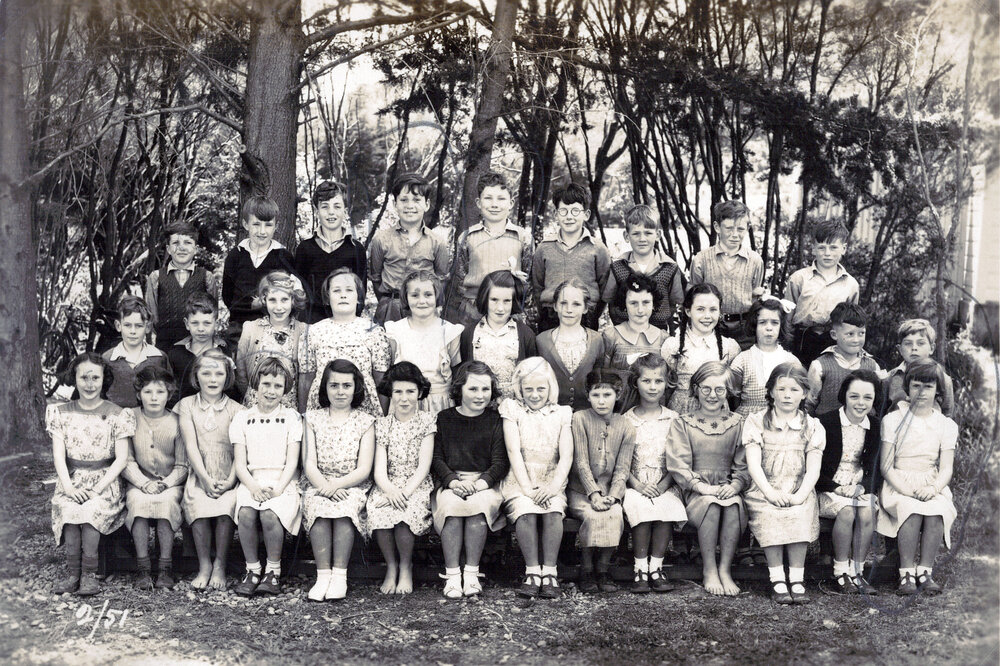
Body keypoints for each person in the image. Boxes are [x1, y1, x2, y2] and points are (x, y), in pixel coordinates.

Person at [48, 353, 134, 596]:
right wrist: (69, 488)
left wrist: (97, 488)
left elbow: (121, 459)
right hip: (72, 480)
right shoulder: (61, 413)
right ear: (74, 378)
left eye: (95, 377)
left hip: (104, 482)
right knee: (70, 509)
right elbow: (58, 457)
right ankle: (73, 573)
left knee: (89, 511)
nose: (89, 383)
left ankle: (89, 573)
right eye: (83, 377)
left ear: (104, 379)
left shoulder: (117, 414)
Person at [743, 361, 826, 604]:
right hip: (765, 487)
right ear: (770, 391)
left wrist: (800, 494)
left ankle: (797, 578)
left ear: (804, 393)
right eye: (781, 389)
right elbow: (754, 464)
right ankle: (777, 577)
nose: (787, 395)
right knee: (772, 514)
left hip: (799, 487)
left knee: (800, 512)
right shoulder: (756, 421)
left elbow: (813, 467)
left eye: (794, 390)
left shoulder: (812, 426)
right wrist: (768, 491)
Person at [665, 361, 748, 597]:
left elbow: (743, 464)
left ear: (728, 391)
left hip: (728, 490)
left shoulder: (738, 423)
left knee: (732, 505)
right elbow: (678, 464)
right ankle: (709, 569)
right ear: (695, 389)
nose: (713, 395)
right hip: (695, 493)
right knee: (712, 505)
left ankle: (725, 569)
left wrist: (735, 485)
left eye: (719, 390)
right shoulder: (683, 423)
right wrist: (702, 487)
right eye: (706, 389)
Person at [876, 358, 957, 596]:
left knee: (936, 511)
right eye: (916, 386)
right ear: (908, 388)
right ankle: (906, 573)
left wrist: (933, 488)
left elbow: (946, 469)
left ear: (938, 391)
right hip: (899, 483)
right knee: (911, 509)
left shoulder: (946, 425)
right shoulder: (893, 420)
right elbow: (886, 466)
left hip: (931, 482)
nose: (921, 392)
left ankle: (925, 571)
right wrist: (909, 491)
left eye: (928, 386)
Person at [431, 362, 509, 598]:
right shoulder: (444, 418)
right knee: (452, 509)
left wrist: (479, 484)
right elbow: (436, 458)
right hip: (451, 483)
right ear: (459, 389)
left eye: (485, 389)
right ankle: (453, 575)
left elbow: (500, 462)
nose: (480, 395)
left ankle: (472, 573)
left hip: (484, 484)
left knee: (477, 509)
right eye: (473, 389)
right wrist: (453, 482)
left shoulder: (495, 420)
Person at [498, 358, 573, 599]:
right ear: (520, 388)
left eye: (541, 388)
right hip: (520, 479)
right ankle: (532, 571)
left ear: (550, 387)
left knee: (553, 511)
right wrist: (528, 489)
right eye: (528, 389)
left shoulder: (561, 413)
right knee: (526, 510)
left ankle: (549, 571)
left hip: (551, 478)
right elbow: (513, 452)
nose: (534, 394)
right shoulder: (512, 410)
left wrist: (553, 487)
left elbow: (566, 455)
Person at [302, 359, 376, 601]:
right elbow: (309, 463)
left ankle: (339, 577)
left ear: (356, 388)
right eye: (334, 385)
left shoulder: (365, 421)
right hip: (319, 483)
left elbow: (364, 468)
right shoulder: (312, 418)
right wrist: (325, 486)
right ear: (325, 388)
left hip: (351, 485)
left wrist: (337, 485)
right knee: (320, 511)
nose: (340, 391)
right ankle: (322, 575)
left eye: (346, 385)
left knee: (344, 512)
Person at [231, 357, 303, 597]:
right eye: (266, 384)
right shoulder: (243, 417)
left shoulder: (291, 417)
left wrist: (279, 488)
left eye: (278, 386)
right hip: (252, 480)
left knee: (271, 514)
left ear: (285, 389)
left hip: (283, 481)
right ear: (256, 384)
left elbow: (292, 461)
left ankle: (273, 571)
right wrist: (252, 487)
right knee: (246, 513)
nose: (271, 391)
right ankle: (252, 569)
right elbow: (240, 464)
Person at [366, 362, 437, 595]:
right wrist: (390, 491)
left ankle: (406, 566)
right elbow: (379, 469)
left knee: (406, 513)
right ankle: (391, 566)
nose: (404, 398)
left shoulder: (427, 421)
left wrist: (404, 493)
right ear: (391, 393)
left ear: (419, 392)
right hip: (388, 484)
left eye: (410, 391)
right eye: (398, 392)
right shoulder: (383, 424)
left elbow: (424, 466)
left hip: (415, 485)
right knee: (380, 511)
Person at [176, 349, 242, 590]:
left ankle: (220, 564)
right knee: (198, 504)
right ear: (196, 376)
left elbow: (240, 451)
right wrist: (203, 478)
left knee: (226, 507)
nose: (213, 379)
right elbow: (190, 445)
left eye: (219, 373)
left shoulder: (237, 409)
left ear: (227, 377)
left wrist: (231, 479)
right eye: (206, 373)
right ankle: (204, 564)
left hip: (230, 474)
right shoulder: (186, 405)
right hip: (199, 471)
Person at [622, 354, 686, 594]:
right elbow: (622, 461)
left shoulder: (674, 419)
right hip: (634, 484)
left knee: (666, 507)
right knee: (641, 507)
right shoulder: (626, 420)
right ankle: (640, 568)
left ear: (666, 383)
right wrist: (637, 485)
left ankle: (656, 567)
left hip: (666, 483)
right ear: (636, 383)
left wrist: (664, 484)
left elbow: (678, 460)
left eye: (658, 381)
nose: (652, 387)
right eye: (646, 381)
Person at [567, 369, 636, 593]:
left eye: (607, 395)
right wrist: (594, 494)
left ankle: (603, 569)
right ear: (588, 396)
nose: (601, 401)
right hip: (580, 490)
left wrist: (614, 495)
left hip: (610, 491)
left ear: (617, 395)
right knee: (591, 514)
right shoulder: (579, 418)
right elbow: (581, 461)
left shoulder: (625, 425)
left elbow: (623, 467)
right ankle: (586, 569)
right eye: (596, 395)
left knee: (614, 514)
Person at [817, 370, 882, 595]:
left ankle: (858, 571)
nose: (860, 403)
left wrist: (863, 487)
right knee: (847, 512)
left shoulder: (875, 425)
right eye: (854, 396)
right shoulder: (824, 423)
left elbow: (875, 466)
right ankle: (841, 572)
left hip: (858, 487)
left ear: (874, 400)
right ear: (844, 395)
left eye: (867, 397)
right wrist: (838, 488)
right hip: (828, 487)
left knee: (867, 513)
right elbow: (813, 469)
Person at [122, 365, 186, 590]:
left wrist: (165, 484)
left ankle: (165, 567)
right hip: (139, 481)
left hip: (170, 482)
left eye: (160, 392)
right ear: (139, 394)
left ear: (169, 394)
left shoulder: (177, 421)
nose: (154, 397)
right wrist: (143, 483)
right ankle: (143, 567)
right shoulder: (129, 416)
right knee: (138, 503)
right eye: (148, 392)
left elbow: (182, 465)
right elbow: (126, 460)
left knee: (166, 503)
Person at [298, 267, 391, 418]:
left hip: (364, 413)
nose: (343, 295)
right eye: (336, 291)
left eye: (349, 290)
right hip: (322, 412)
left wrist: (383, 418)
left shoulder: (374, 331)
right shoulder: (313, 332)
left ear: (359, 297)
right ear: (327, 298)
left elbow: (381, 379)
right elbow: (306, 379)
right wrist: (303, 417)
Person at [445, 172, 533, 328]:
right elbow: (459, 280)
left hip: (509, 311)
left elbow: (529, 280)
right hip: (472, 312)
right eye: (488, 198)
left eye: (501, 198)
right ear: (478, 203)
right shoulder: (466, 238)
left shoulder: (523, 238)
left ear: (511, 203)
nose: (494, 204)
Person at [369, 173, 450, 325]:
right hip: (390, 308)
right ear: (395, 204)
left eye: (417, 200)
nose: (410, 206)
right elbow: (376, 278)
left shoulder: (437, 242)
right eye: (404, 200)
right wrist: (390, 301)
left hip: (423, 309)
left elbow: (441, 280)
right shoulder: (381, 240)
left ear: (426, 204)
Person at [531, 182, 611, 331]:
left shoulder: (598, 249)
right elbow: (537, 286)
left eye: (575, 211)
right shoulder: (544, 248)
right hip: (550, 317)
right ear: (556, 214)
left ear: (586, 215)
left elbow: (605, 288)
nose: (569, 217)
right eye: (563, 211)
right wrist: (547, 311)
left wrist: (593, 314)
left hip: (585, 317)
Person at [221, 195, 297, 345]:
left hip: (273, 327)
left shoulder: (283, 257)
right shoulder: (236, 255)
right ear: (245, 224)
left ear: (276, 226)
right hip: (239, 328)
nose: (262, 231)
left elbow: (289, 295)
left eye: (268, 225)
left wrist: (264, 304)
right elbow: (228, 297)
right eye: (256, 224)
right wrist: (250, 305)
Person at [385, 270, 464, 416]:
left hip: (440, 405)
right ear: (406, 298)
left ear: (437, 296)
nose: (422, 301)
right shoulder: (396, 331)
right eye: (415, 295)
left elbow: (457, 372)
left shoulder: (449, 332)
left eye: (428, 295)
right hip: (405, 406)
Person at [689, 200, 765, 349]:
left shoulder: (755, 260)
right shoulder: (701, 259)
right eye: (729, 228)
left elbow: (756, 295)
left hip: (744, 329)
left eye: (741, 229)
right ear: (717, 227)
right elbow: (693, 298)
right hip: (711, 325)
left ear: (747, 228)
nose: (735, 235)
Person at [784, 220, 859, 367]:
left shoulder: (851, 285)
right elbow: (788, 317)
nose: (827, 253)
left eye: (833, 248)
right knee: (800, 381)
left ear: (843, 249)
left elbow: (852, 322)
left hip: (834, 342)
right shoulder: (799, 278)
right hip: (803, 339)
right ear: (813, 249)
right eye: (822, 247)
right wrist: (788, 345)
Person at [294, 180, 368, 324]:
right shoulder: (305, 249)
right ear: (317, 211)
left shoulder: (356, 249)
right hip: (311, 323)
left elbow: (360, 293)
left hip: (346, 321)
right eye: (325, 207)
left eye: (337, 206)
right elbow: (300, 291)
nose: (331, 212)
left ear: (345, 211)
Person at [602, 204, 684, 334]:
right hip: (624, 331)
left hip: (659, 331)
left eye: (648, 233)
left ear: (657, 235)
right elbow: (610, 301)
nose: (642, 239)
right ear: (626, 236)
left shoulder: (670, 267)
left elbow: (674, 302)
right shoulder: (618, 267)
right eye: (636, 233)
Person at [660, 284, 741, 414]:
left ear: (720, 312)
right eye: (700, 309)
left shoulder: (729, 347)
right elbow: (665, 388)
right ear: (688, 311)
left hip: (717, 412)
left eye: (713, 309)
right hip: (682, 411)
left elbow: (733, 390)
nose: (707, 316)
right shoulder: (673, 345)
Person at [458, 270, 537, 398]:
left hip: (513, 406)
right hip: (479, 404)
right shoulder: (470, 333)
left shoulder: (525, 334)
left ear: (514, 301)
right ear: (485, 298)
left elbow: (531, 374)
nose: (500, 308)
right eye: (494, 300)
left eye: (506, 301)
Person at [235, 271, 308, 410]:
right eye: (272, 300)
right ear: (264, 300)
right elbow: (241, 371)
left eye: (284, 300)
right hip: (255, 406)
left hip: (289, 407)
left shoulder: (303, 331)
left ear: (293, 301)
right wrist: (251, 396)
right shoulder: (251, 328)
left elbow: (305, 376)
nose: (278, 307)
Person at [145, 222, 219, 349]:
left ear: (195, 248)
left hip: (198, 346)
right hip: (166, 345)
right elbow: (153, 317)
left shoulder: (206, 277)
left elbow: (211, 314)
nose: (181, 248)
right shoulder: (156, 277)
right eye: (175, 243)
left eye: (187, 242)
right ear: (168, 249)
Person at [536, 278, 607, 410]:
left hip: (587, 413)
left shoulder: (597, 340)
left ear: (585, 308)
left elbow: (599, 379)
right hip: (551, 415)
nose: (569, 310)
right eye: (563, 303)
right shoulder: (541, 340)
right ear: (555, 306)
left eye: (576, 304)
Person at [603, 273, 669, 412]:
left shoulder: (663, 338)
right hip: (618, 411)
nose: (640, 310)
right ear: (624, 304)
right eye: (633, 303)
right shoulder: (611, 336)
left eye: (646, 302)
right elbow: (603, 378)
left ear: (653, 305)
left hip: (653, 412)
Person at [806, 302, 884, 416]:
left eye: (861, 333)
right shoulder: (819, 366)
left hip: (862, 429)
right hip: (827, 429)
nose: (856, 339)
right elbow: (810, 403)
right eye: (850, 334)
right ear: (834, 335)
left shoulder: (873, 366)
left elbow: (878, 402)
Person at [730, 297, 798, 416]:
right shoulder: (742, 360)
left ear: (781, 326)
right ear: (754, 325)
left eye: (775, 323)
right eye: (762, 322)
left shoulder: (791, 361)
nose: (769, 328)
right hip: (748, 421)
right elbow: (733, 397)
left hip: (781, 420)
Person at [102, 295, 169, 408]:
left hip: (149, 421)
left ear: (147, 327)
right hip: (115, 420)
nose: (133, 331)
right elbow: (100, 396)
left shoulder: (159, 358)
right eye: (127, 325)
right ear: (118, 326)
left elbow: (170, 392)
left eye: (138, 326)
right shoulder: (108, 359)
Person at [165, 294, 234, 403]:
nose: (201, 329)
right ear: (187, 324)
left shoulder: (224, 352)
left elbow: (230, 388)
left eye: (207, 323)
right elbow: (171, 391)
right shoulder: (175, 353)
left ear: (216, 324)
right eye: (195, 323)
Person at [884, 318, 955, 416]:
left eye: (920, 343)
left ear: (932, 348)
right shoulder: (889, 379)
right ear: (900, 349)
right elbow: (882, 413)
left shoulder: (944, 379)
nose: (914, 348)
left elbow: (947, 415)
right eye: (908, 343)